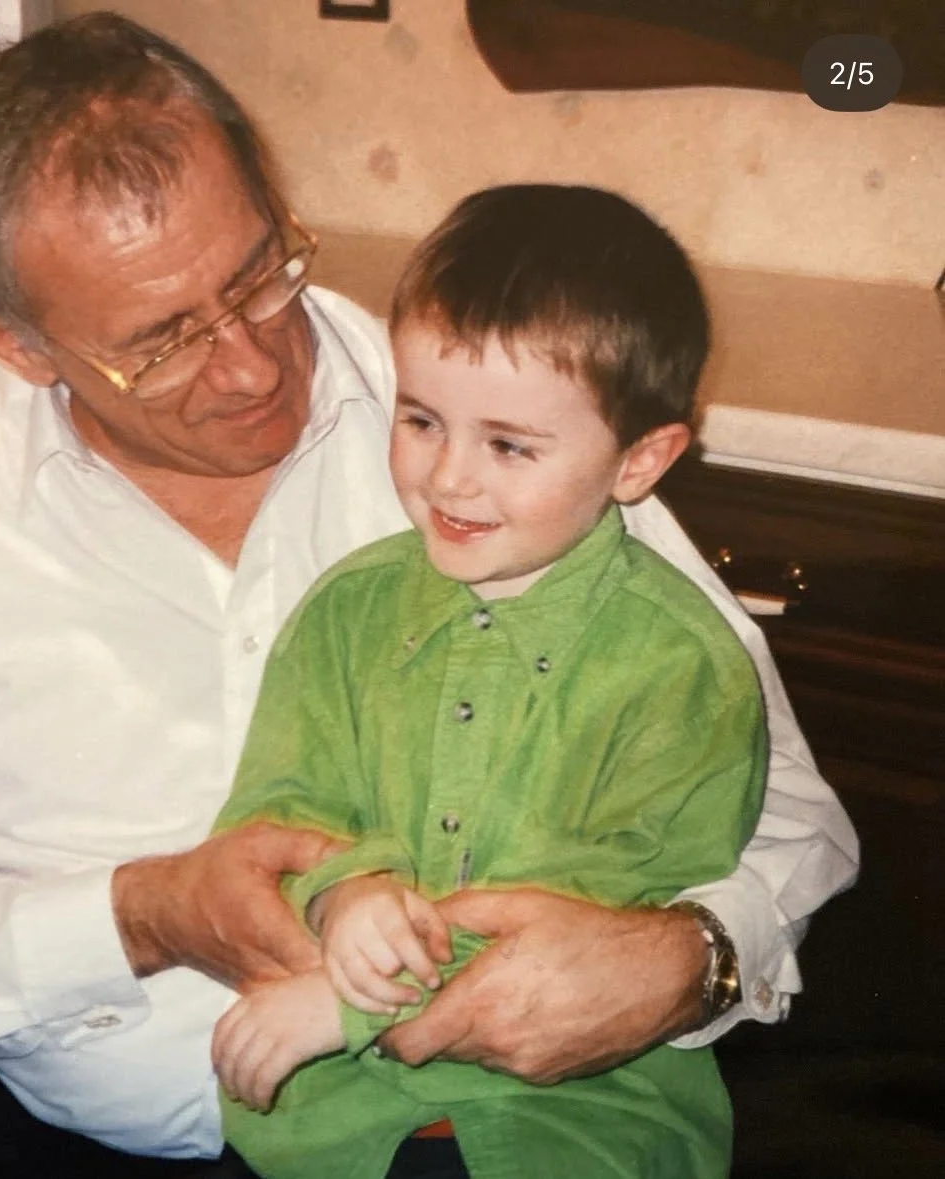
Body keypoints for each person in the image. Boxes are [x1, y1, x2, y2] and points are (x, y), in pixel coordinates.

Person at [0, 12, 857, 1178]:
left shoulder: (493, 420)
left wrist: (687, 958)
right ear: (12, 343)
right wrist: (139, 916)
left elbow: (791, 814)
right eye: (161, 340)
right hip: (69, 1141)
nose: (250, 365)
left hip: (474, 1136)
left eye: (257, 274)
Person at [209, 184, 767, 1179]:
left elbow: (583, 936)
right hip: (331, 1123)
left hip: (569, 1126)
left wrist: (347, 1002)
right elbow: (278, 806)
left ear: (641, 459)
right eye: (423, 420)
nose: (450, 479)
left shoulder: (684, 670)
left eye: (508, 444)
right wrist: (345, 895)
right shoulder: (343, 616)